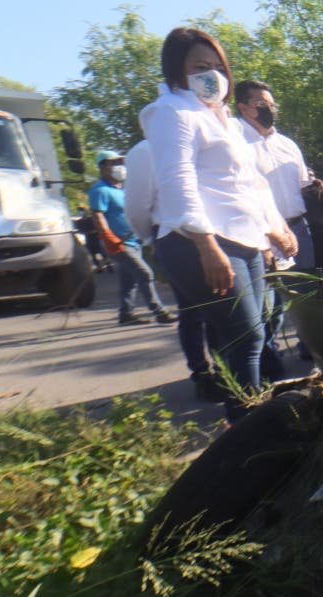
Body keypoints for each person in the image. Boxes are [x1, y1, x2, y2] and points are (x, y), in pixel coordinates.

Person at [140, 27, 298, 421]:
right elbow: (177, 180)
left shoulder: (223, 120)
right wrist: (206, 246)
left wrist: (274, 228)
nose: (211, 74)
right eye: (199, 67)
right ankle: (248, 426)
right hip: (204, 242)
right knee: (246, 337)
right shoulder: (172, 112)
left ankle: (249, 419)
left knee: (249, 337)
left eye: (217, 66)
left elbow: (249, 183)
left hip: (246, 240)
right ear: (177, 71)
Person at [126, 138, 224, 401]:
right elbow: (136, 207)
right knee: (193, 311)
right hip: (177, 239)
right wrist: (152, 240)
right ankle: (203, 374)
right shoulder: (145, 150)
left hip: (219, 235)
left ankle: (226, 373)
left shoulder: (204, 142)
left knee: (222, 309)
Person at [88, 150, 176, 326]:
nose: (119, 166)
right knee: (144, 273)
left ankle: (126, 314)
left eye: (120, 162)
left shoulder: (124, 189)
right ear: (103, 166)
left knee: (128, 280)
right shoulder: (100, 190)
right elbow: (97, 216)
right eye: (113, 163)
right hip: (118, 244)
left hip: (133, 241)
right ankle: (159, 311)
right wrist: (108, 237)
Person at [234, 79, 315, 270]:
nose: (270, 110)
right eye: (262, 104)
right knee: (272, 288)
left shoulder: (287, 144)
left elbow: (303, 185)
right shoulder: (235, 142)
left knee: (308, 285)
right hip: (260, 234)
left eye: (272, 105)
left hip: (298, 229)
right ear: (243, 107)